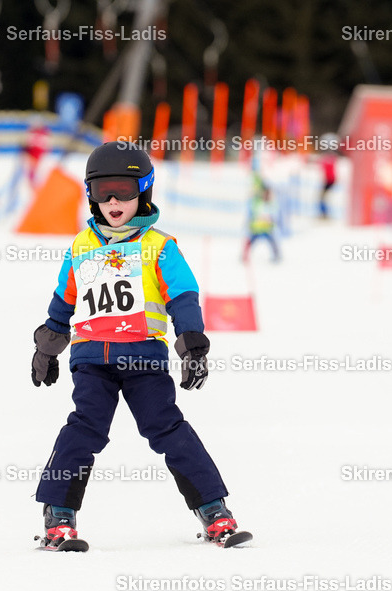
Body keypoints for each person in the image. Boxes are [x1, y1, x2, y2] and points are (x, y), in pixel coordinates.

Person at [29, 141, 242, 549]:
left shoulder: (158, 246)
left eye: (123, 191)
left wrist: (192, 346)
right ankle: (58, 514)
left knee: (168, 429)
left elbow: (183, 296)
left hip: (143, 357)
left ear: (143, 191)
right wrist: (47, 347)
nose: (112, 201)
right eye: (101, 190)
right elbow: (63, 300)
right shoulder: (80, 247)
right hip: (92, 360)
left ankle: (213, 508)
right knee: (84, 429)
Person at [243, 174, 281, 263]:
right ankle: (244, 256)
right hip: (256, 228)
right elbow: (251, 213)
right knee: (250, 241)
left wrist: (271, 220)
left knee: (273, 242)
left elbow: (274, 215)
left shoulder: (271, 203)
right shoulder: (256, 202)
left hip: (267, 228)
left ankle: (277, 256)